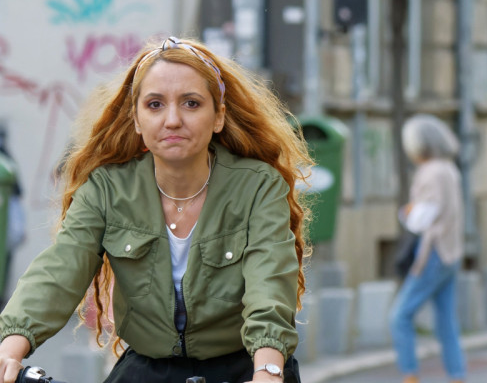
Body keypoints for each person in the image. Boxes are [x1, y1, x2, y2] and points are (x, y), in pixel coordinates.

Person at [0, 36, 311, 383]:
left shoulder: (257, 185)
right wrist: (9, 348)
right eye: (155, 105)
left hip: (243, 367)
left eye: (191, 103)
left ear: (219, 116)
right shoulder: (107, 188)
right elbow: (60, 271)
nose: (173, 120)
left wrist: (268, 370)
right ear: (136, 119)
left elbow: (269, 284)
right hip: (148, 369)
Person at [390, 114, 466, 383]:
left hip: (433, 254)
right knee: (446, 322)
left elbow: (421, 218)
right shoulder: (449, 168)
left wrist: (406, 212)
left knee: (399, 316)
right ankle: (457, 376)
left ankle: (410, 375)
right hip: (452, 251)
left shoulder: (430, 172)